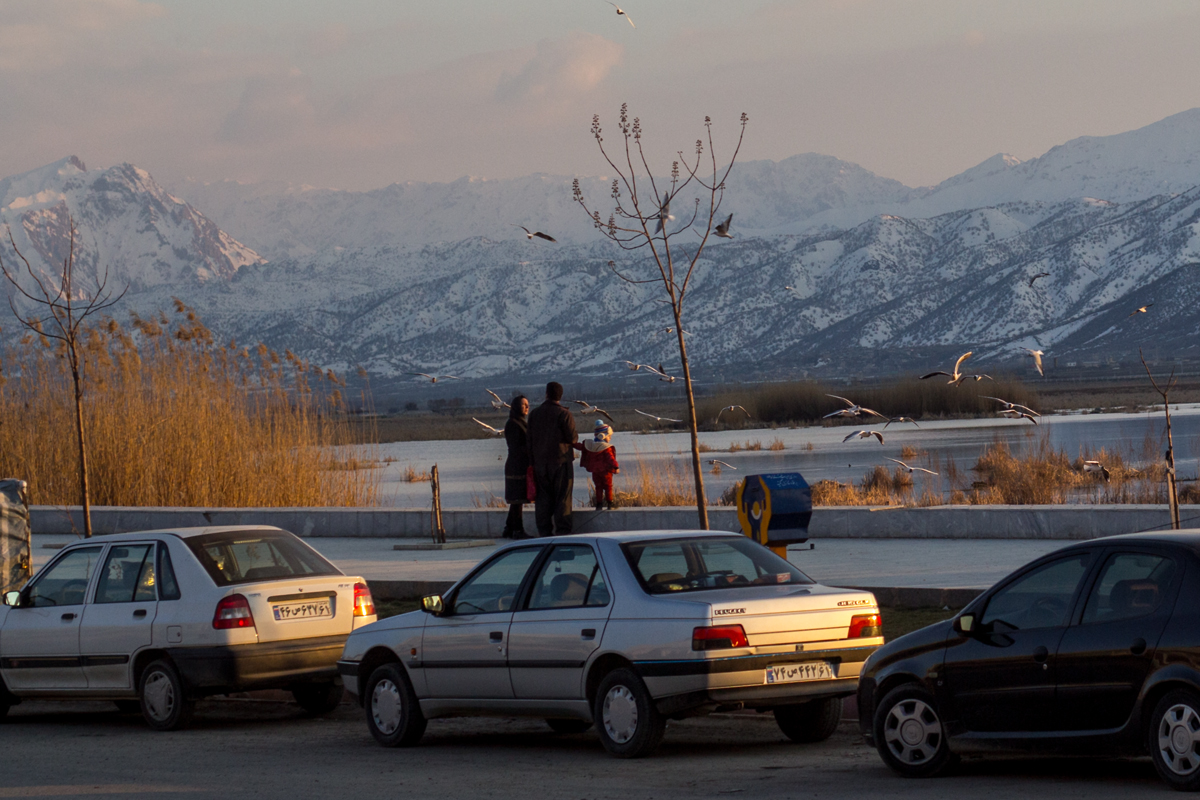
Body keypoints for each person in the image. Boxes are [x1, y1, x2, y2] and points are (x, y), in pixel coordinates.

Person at [526, 381, 577, 536]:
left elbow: (529, 441)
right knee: (563, 498)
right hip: (561, 463)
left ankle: (544, 533)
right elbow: (572, 438)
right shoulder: (564, 414)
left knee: (542, 500)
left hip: (540, 464)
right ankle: (563, 533)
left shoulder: (534, 414)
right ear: (560, 396)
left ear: (546, 394)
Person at [574, 420, 620, 511]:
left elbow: (579, 446)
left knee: (598, 487)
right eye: (609, 436)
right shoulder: (606, 448)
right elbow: (610, 458)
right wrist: (616, 467)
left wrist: (571, 443)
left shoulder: (589, 445)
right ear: (603, 435)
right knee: (608, 486)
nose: (610, 438)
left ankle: (599, 504)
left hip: (595, 471)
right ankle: (610, 503)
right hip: (606, 471)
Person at [502, 395, 530, 539]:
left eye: (527, 404)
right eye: (524, 404)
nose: (527, 407)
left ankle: (509, 527)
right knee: (518, 499)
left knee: (517, 500)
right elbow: (516, 447)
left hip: (520, 464)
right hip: (516, 465)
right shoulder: (513, 424)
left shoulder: (520, 422)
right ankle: (517, 529)